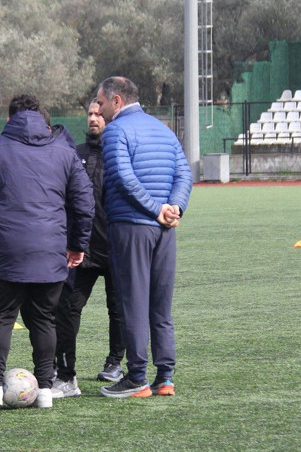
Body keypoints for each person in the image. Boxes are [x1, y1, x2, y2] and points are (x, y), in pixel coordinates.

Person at [0, 94, 94, 410]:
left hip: (6, 249)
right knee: (44, 320)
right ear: (42, 119)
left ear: (9, 119)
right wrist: (77, 246)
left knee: (3, 317)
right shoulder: (64, 152)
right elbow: (84, 204)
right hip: (49, 251)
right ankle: (46, 391)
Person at [95, 76, 192, 399]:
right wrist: (173, 208)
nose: (99, 108)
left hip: (132, 226)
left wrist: (154, 210)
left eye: (102, 102)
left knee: (133, 302)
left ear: (117, 101)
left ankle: (136, 376)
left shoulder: (116, 132)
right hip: (166, 230)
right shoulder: (164, 130)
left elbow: (122, 178)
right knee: (161, 307)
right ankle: (165, 377)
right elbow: (183, 173)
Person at [51, 98, 126, 399]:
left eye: (99, 114)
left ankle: (115, 363)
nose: (93, 119)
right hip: (82, 249)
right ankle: (65, 371)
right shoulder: (75, 154)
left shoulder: (119, 151)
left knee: (118, 310)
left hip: (118, 248)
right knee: (67, 308)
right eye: (90, 114)